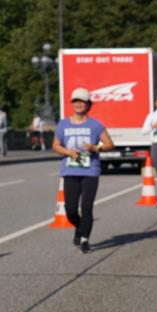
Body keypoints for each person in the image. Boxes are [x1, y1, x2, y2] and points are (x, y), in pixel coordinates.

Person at [52, 88, 114, 253]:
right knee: (71, 210)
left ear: (89, 105)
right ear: (71, 104)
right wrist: (68, 152)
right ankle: (79, 228)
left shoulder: (95, 125)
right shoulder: (63, 124)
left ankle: (85, 239)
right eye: (75, 101)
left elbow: (109, 144)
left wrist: (96, 148)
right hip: (70, 171)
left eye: (82, 101)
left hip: (90, 171)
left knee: (86, 207)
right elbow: (55, 145)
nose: (79, 104)